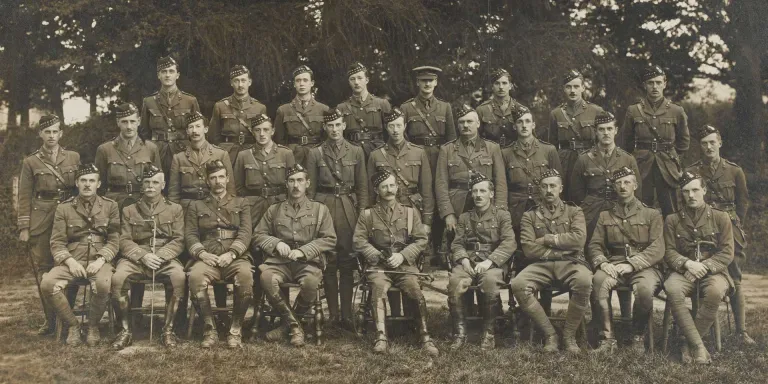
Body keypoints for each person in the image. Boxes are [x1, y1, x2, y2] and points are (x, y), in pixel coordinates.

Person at [353, 169, 438, 356]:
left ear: (397, 187)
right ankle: (381, 336)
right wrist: (377, 256)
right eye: (384, 186)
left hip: (405, 267)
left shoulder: (409, 213)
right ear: (376, 190)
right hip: (379, 267)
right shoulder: (367, 215)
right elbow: (359, 241)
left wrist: (403, 256)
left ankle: (424, 336)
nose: (389, 190)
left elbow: (421, 240)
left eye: (392, 185)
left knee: (414, 289)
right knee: (378, 288)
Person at [253, 164, 337, 347]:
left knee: (310, 283)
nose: (296, 185)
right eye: (291, 181)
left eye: (300, 180)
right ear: (286, 184)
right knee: (266, 278)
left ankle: (287, 326)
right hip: (279, 262)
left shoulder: (320, 210)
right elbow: (258, 234)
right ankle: (294, 326)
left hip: (307, 262)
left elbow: (330, 239)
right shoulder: (274, 210)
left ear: (307, 183)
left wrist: (303, 251)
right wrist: (277, 243)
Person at [685, 124, 754, 344]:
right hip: (702, 227)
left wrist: (734, 225)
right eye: (704, 143)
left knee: (735, 276)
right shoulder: (692, 171)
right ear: (700, 146)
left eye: (712, 142)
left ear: (720, 143)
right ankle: (700, 328)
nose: (708, 147)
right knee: (701, 275)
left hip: (729, 229)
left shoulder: (734, 171)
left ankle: (741, 331)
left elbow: (742, 203)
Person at [510, 169, 591, 354]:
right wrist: (563, 250)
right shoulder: (529, 216)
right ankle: (550, 334)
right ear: (539, 189)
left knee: (584, 281)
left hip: (571, 265)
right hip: (541, 265)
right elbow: (529, 250)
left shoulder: (574, 211)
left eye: (553, 186)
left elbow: (579, 240)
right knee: (519, 284)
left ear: (560, 188)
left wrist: (547, 239)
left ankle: (569, 336)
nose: (549, 190)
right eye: (544, 186)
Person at [40, 163, 120, 346]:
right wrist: (70, 262)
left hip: (99, 260)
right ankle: (73, 325)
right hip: (72, 259)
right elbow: (57, 241)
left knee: (102, 283)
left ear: (98, 184)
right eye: (83, 180)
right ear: (77, 183)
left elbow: (114, 240)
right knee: (47, 283)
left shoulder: (110, 206)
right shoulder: (64, 208)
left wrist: (100, 261)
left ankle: (92, 326)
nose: (87, 184)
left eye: (92, 181)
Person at [587, 166, 663, 353]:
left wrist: (632, 264)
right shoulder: (605, 215)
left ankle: (638, 335)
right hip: (613, 264)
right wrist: (603, 263)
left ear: (635, 185)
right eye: (618, 183)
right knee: (597, 281)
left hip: (644, 266)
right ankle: (608, 338)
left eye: (627, 182)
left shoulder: (651, 214)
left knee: (645, 289)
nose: (622, 186)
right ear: (613, 187)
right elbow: (594, 244)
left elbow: (658, 247)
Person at [367, 108, 434, 317]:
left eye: (399, 125)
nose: (395, 130)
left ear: (404, 126)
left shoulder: (418, 152)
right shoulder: (376, 155)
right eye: (391, 126)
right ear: (386, 128)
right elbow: (371, 191)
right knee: (389, 253)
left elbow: (426, 189)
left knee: (409, 260)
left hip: (412, 212)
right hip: (385, 213)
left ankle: (412, 316)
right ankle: (394, 314)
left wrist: (427, 221)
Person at [18, 114, 81, 335]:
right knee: (45, 270)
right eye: (47, 132)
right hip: (42, 219)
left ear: (61, 133)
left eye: (55, 131)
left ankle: (67, 317)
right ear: (40, 135)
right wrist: (24, 228)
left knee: (68, 267)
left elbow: (80, 190)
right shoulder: (31, 162)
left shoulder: (73, 157)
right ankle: (51, 321)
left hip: (68, 218)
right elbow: (24, 196)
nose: (52, 136)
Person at [305, 108, 368, 327]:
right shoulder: (315, 153)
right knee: (329, 260)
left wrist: (362, 215)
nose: (334, 129)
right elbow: (310, 190)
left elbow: (362, 187)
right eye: (330, 125)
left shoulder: (356, 151)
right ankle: (333, 315)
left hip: (349, 208)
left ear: (344, 126)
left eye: (338, 125)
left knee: (347, 260)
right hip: (325, 207)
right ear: (325, 127)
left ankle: (347, 315)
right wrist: (311, 217)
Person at [111, 165, 185, 350]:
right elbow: (124, 239)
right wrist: (143, 256)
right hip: (136, 257)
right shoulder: (129, 210)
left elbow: (179, 239)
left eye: (155, 182)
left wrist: (160, 256)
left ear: (163, 185)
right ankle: (125, 330)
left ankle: (168, 330)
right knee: (118, 278)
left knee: (178, 277)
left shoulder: (175, 209)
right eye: (146, 182)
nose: (150, 186)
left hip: (164, 258)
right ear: (142, 185)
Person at [663, 171, 734, 364]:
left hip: (713, 271)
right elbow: (668, 251)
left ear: (704, 190)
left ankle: (687, 344)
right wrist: (687, 264)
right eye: (686, 191)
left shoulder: (721, 217)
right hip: (683, 270)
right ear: (681, 194)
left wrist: (705, 266)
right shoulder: (672, 220)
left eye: (695, 190)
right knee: (672, 289)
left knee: (715, 291)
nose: (691, 195)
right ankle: (699, 347)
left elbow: (727, 252)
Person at [185, 160, 253, 348]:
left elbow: (246, 232)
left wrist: (232, 254)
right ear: (207, 181)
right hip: (207, 258)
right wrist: (202, 254)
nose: (218, 181)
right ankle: (210, 330)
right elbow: (190, 234)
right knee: (196, 277)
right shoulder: (196, 205)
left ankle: (235, 330)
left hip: (234, 258)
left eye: (221, 177)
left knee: (246, 276)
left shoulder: (241, 203)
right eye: (213, 178)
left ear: (227, 178)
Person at [447, 172, 516, 350]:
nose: (478, 195)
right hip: (468, 262)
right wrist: (463, 260)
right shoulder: (464, 217)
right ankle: (460, 333)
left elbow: (509, 242)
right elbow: (457, 244)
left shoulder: (502, 215)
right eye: (475, 191)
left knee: (490, 282)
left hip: (492, 264)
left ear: (491, 194)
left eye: (483, 191)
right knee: (456, 282)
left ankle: (489, 332)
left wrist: (490, 262)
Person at [436, 105, 507, 258]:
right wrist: (448, 213)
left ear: (478, 124)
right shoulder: (447, 149)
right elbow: (441, 184)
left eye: (469, 121)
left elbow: (500, 182)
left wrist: (500, 210)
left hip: (486, 202)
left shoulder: (492, 148)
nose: (466, 125)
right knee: (454, 244)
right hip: (457, 203)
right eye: (462, 122)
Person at [400, 66, 456, 260]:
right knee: (420, 198)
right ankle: (422, 245)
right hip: (415, 158)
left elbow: (451, 139)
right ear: (417, 83)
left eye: (430, 81)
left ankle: (442, 247)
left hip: (439, 157)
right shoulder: (406, 108)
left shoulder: (444, 107)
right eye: (423, 80)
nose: (427, 84)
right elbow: (402, 136)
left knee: (440, 196)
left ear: (436, 83)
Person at [620, 65, 689, 217]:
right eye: (650, 83)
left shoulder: (676, 111)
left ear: (664, 84)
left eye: (658, 82)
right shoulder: (634, 110)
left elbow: (683, 143)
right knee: (641, 208)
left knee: (671, 210)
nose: (655, 87)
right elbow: (626, 143)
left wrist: (672, 158)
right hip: (642, 166)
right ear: (645, 86)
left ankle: (670, 240)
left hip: (667, 166)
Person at [569, 111, 640, 237]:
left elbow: (637, 191)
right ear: (595, 131)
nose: (606, 133)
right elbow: (576, 193)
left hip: (619, 209)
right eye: (601, 129)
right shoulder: (584, 159)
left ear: (616, 130)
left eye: (609, 129)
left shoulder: (628, 159)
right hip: (591, 213)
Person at [502, 106, 561, 248]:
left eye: (527, 121)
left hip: (542, 204)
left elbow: (558, 182)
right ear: (515, 127)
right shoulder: (505, 153)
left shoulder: (548, 150)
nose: (524, 125)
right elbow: (502, 184)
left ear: (533, 125)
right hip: (515, 207)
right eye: (520, 122)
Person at [548, 70, 605, 199]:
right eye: (568, 87)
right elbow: (552, 145)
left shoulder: (596, 111)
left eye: (576, 86)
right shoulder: (556, 114)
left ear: (583, 88)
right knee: (566, 197)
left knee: (589, 196)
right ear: (563, 89)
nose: (572, 91)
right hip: (565, 163)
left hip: (589, 160)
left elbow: (602, 141)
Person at [140, 55, 201, 175]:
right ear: (158, 75)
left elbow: (197, 130)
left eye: (171, 71)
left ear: (177, 75)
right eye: (164, 72)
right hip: (157, 152)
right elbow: (144, 132)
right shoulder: (149, 102)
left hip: (182, 151)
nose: (167, 75)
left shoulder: (190, 100)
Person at [95, 102, 161, 209]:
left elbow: (158, 182)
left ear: (138, 121)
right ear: (118, 122)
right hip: (114, 204)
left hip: (143, 203)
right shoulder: (105, 149)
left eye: (132, 121)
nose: (129, 127)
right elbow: (99, 186)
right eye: (124, 122)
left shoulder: (151, 148)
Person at [169, 112, 235, 209]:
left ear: (206, 129)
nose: (194, 131)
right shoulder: (179, 158)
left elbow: (230, 188)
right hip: (187, 208)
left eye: (198, 126)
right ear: (187, 131)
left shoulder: (220, 154)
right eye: (191, 127)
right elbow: (173, 193)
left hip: (214, 207)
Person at [209, 65, 268, 165]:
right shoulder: (220, 106)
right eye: (236, 81)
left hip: (251, 153)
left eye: (243, 80)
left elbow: (264, 135)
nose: (240, 85)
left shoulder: (260, 108)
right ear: (231, 83)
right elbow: (213, 136)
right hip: (227, 154)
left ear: (249, 82)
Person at [274, 65, 330, 166]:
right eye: (298, 80)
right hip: (292, 156)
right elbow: (279, 140)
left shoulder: (323, 109)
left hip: (316, 155)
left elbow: (326, 138)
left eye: (305, 80)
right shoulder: (283, 110)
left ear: (311, 83)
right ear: (294, 84)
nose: (302, 84)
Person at [336, 62, 392, 158]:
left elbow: (391, 132)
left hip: (377, 154)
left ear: (367, 80)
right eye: (352, 79)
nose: (356, 82)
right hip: (351, 155)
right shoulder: (342, 107)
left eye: (360, 78)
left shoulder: (382, 104)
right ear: (349, 82)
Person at [475, 68, 526, 146]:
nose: (501, 87)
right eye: (497, 83)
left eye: (504, 83)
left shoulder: (521, 110)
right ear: (492, 86)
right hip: (490, 155)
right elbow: (476, 139)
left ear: (510, 86)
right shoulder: (482, 110)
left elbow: (528, 139)